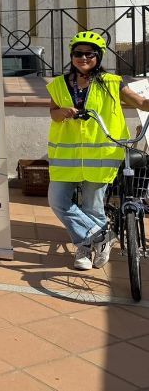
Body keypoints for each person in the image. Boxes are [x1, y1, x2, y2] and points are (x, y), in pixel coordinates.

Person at [47, 30, 149, 270]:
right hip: (66, 156)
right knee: (58, 201)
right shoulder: (58, 84)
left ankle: (84, 249)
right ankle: (102, 237)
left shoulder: (113, 83)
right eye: (78, 54)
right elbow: (53, 112)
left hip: (100, 157)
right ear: (72, 56)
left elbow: (142, 103)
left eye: (89, 54)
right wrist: (63, 112)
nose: (83, 58)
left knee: (93, 206)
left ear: (98, 56)